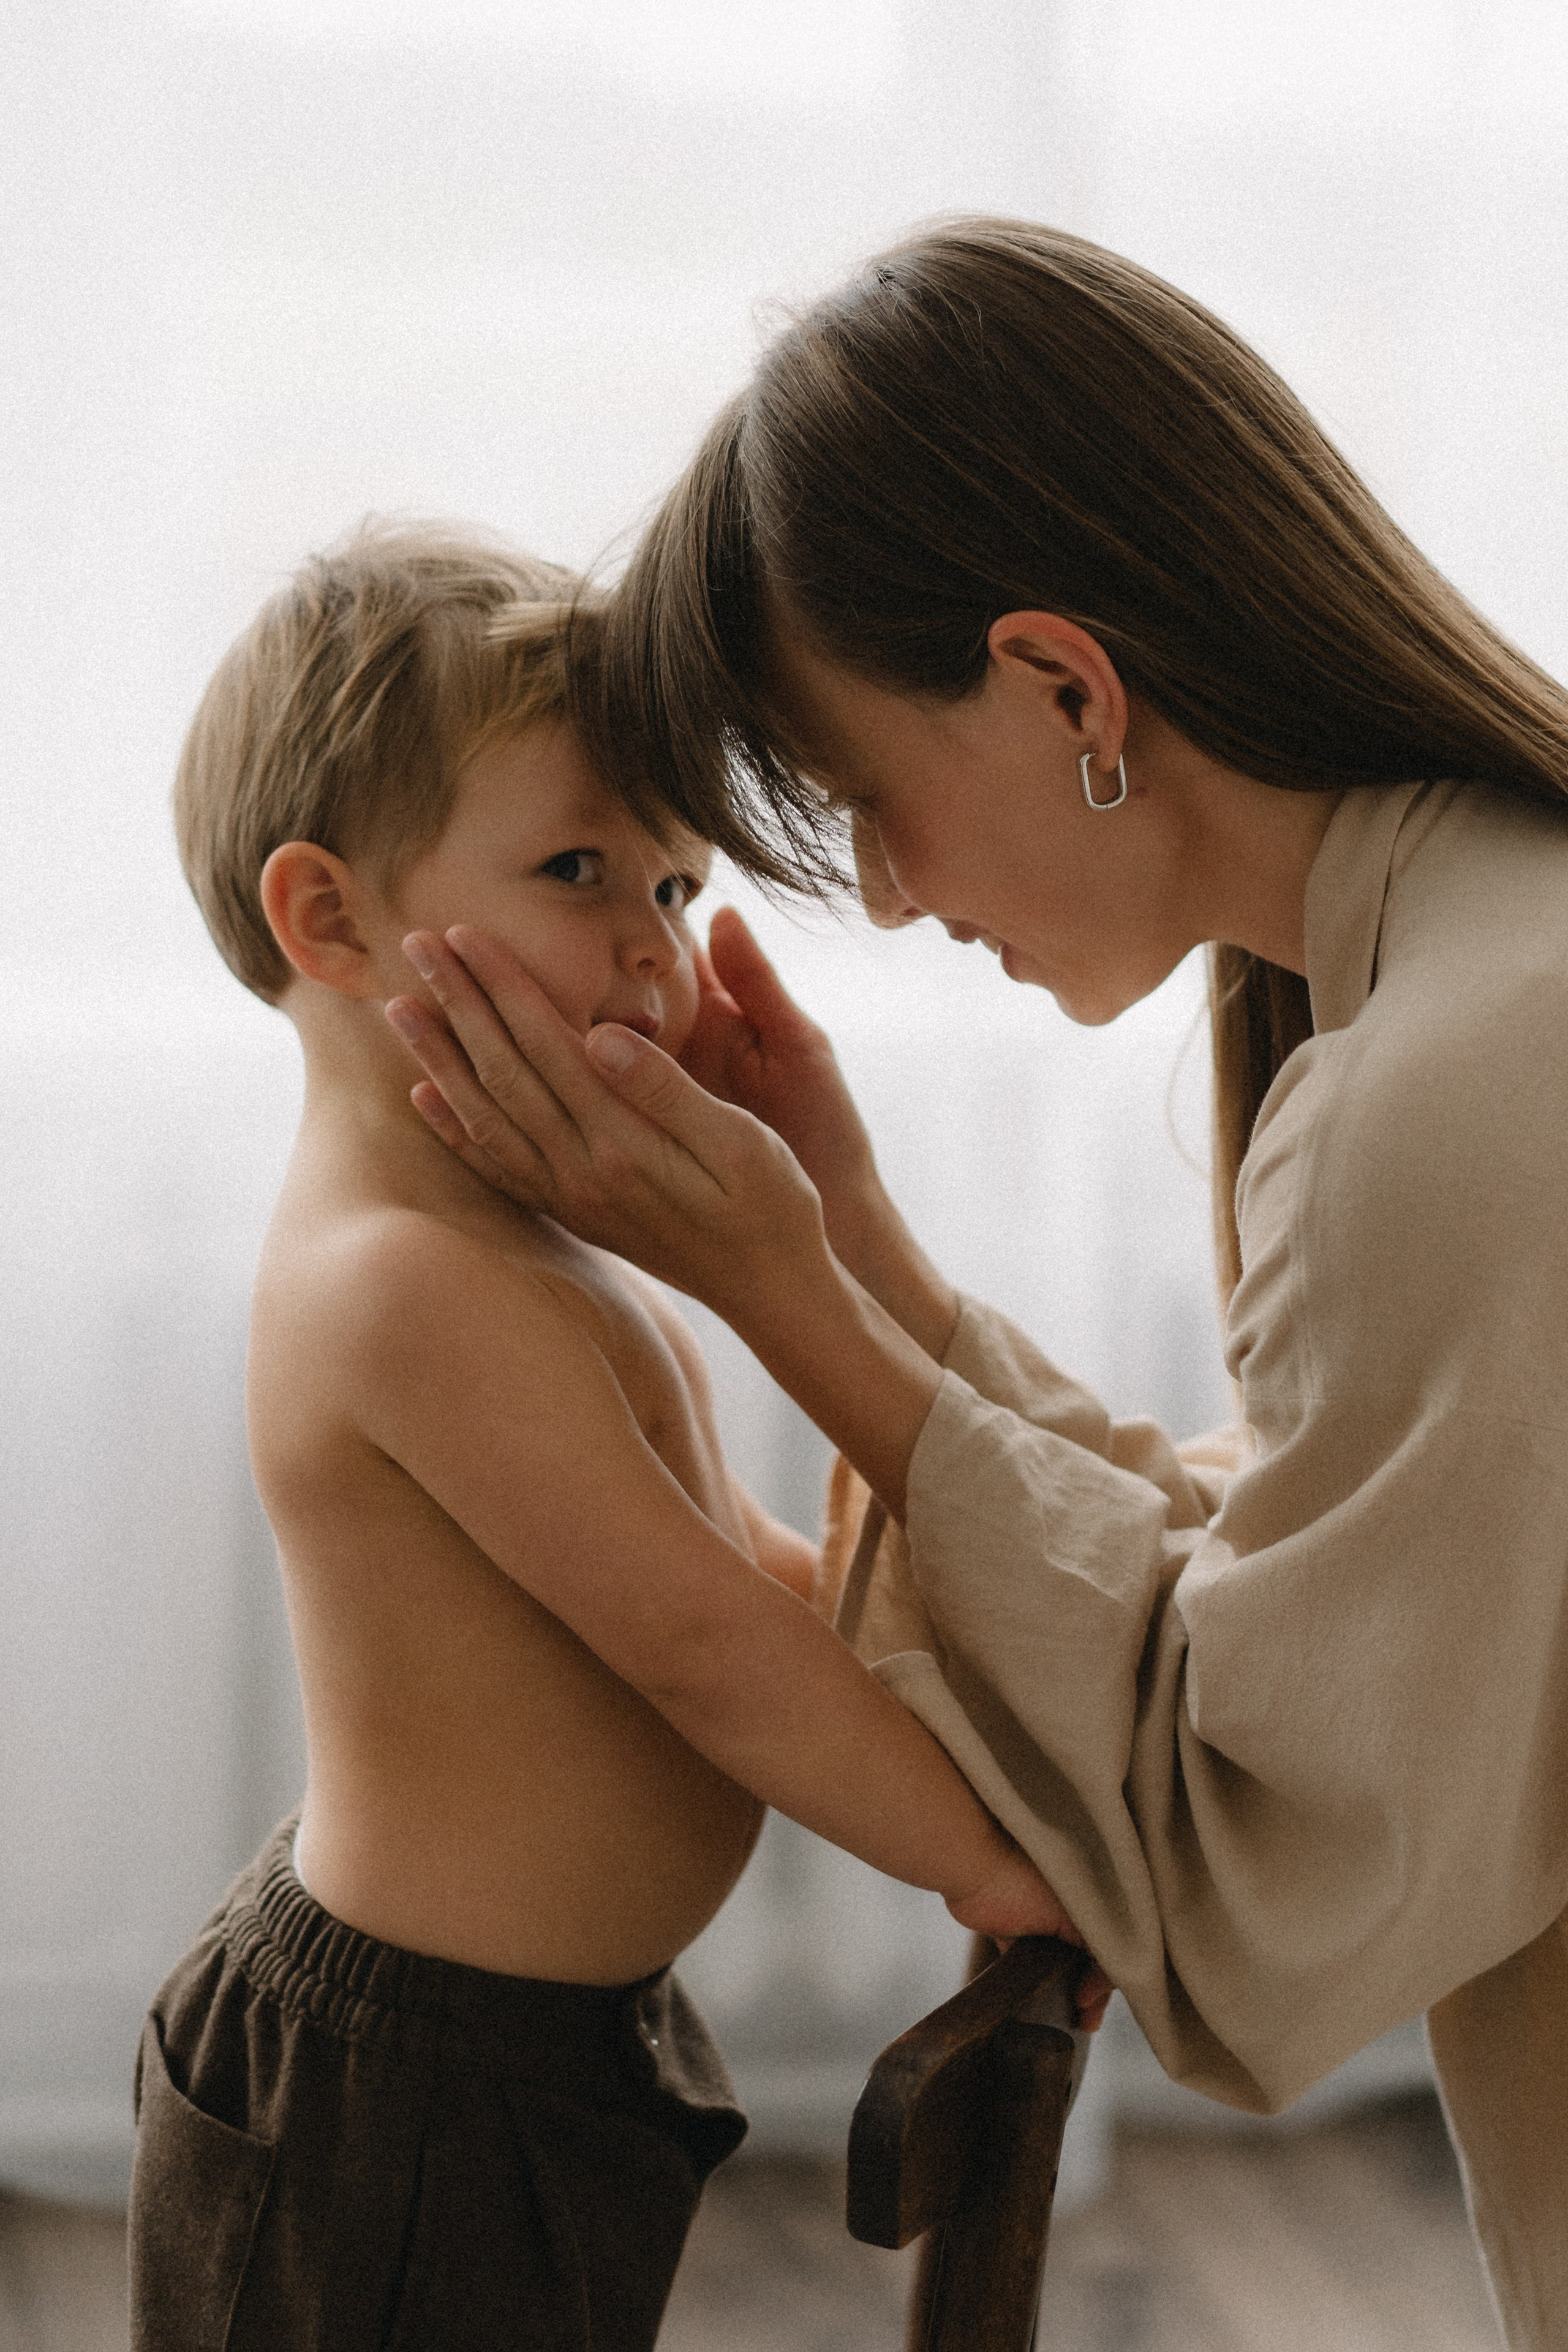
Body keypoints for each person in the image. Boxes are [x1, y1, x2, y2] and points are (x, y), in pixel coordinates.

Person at [386, 225, 1568, 2348]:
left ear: (1064, 690)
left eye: (861, 802)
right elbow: (1325, 1583)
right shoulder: (1497, 935)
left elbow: (1258, 1852)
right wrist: (859, 1257)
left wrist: (795, 1305)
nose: (891, 895)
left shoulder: (1440, 1090)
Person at [130, 521, 1104, 2352]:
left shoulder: (534, 1250)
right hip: (402, 2088)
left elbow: (748, 1569)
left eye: (673, 885)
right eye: (579, 871)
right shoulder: (401, 1284)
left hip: (542, 2044)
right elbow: (700, 1645)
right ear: (330, 922)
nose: (653, 948)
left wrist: (1010, 1706)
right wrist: (986, 1860)